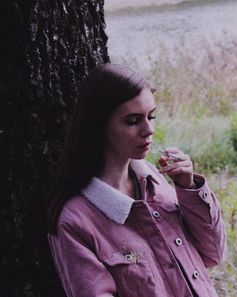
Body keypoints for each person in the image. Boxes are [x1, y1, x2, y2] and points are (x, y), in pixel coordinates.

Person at [47, 63, 227, 297]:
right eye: (132, 121)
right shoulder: (76, 221)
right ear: (98, 125)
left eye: (151, 116)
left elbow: (213, 254)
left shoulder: (155, 181)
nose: (149, 129)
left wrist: (189, 188)